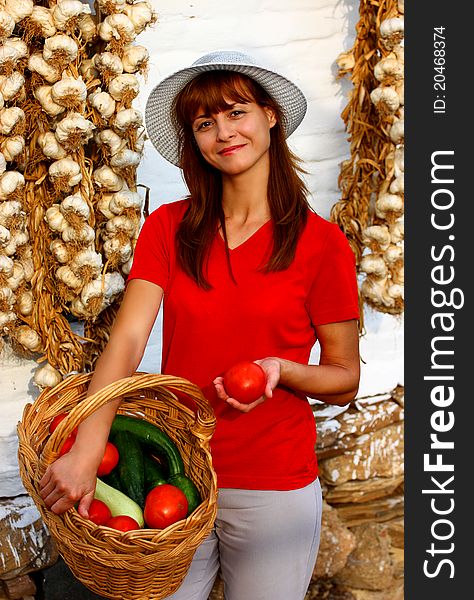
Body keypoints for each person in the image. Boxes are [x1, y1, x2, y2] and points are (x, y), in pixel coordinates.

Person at [39, 50, 360, 599]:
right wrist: (88, 446)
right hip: (176, 472)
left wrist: (280, 370)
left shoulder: (321, 244)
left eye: (237, 112)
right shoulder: (169, 227)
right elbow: (130, 339)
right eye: (205, 124)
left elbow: (344, 378)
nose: (224, 133)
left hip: (272, 484)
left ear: (270, 116)